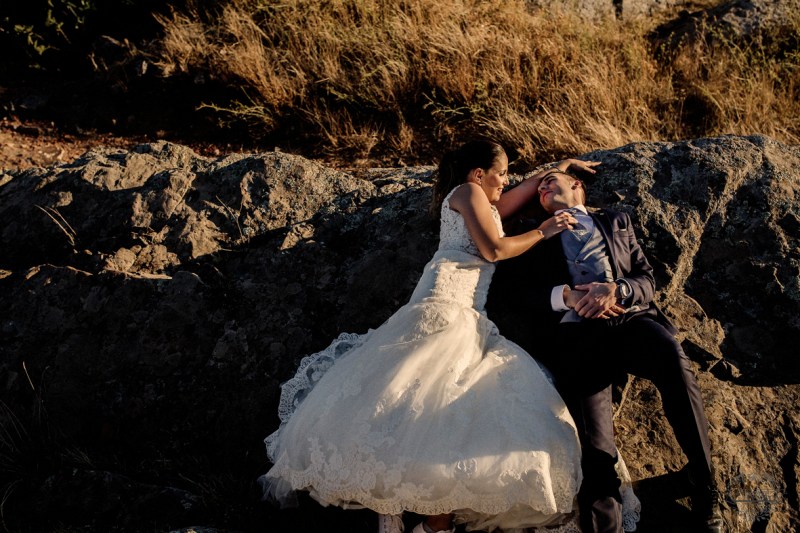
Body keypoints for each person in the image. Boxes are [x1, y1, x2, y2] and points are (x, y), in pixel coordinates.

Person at [260, 140, 628, 533]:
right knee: (411, 394)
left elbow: (516, 197)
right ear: (478, 174)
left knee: (441, 404)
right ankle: (394, 504)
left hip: (469, 310)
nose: (507, 181)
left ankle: (417, 514)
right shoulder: (467, 192)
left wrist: (559, 166)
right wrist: (543, 230)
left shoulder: (483, 202)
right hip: (444, 302)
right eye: (502, 173)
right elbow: (494, 249)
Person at [486, 166, 724, 533]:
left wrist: (618, 290)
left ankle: (704, 483)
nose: (543, 188)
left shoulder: (615, 220)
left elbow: (647, 279)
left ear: (576, 185)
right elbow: (513, 294)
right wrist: (564, 297)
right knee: (595, 447)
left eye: (551, 181)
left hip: (631, 323)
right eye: (539, 187)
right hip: (575, 338)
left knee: (673, 360)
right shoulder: (532, 232)